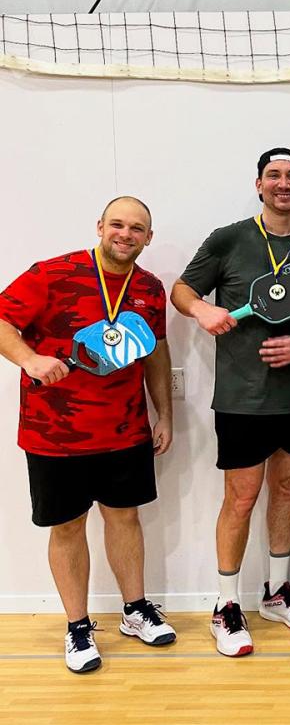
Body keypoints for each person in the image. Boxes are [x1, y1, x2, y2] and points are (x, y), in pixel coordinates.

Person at [172, 148, 290, 657]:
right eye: (274, 175)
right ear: (259, 184)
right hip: (242, 399)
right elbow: (181, 289)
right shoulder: (229, 239)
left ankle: (277, 593)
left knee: (287, 492)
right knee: (241, 499)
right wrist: (201, 309)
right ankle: (225, 606)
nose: (283, 183)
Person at [0, 196, 176, 673]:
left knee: (125, 520)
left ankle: (135, 611)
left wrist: (166, 415)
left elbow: (156, 354)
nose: (126, 234)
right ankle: (78, 628)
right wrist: (30, 359)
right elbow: (2, 320)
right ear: (100, 226)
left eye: (137, 228)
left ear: (148, 237)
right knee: (68, 527)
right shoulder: (52, 273)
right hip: (53, 435)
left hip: (125, 431)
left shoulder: (149, 288)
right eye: (117, 224)